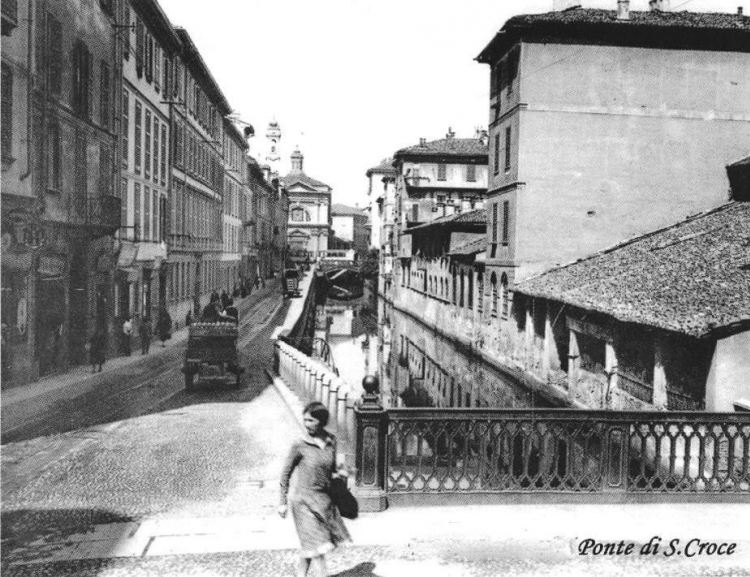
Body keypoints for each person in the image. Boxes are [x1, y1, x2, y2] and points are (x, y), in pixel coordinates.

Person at [279, 402, 351, 577]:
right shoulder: (300, 445)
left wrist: (341, 474)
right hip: (303, 504)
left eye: (311, 420)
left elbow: (332, 470)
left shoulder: (331, 441)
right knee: (317, 551)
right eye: (305, 420)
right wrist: (282, 502)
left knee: (310, 547)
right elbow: (285, 474)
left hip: (323, 503)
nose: (307, 424)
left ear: (321, 421)